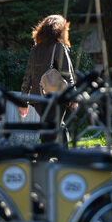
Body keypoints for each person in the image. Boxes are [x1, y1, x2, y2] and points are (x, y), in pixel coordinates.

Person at [19, 14, 76, 142]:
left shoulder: (35, 49)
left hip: (38, 99)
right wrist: (73, 97)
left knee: (56, 126)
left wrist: (23, 102)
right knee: (52, 129)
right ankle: (45, 153)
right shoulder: (59, 47)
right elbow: (67, 75)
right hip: (57, 98)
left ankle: (63, 152)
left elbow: (28, 77)